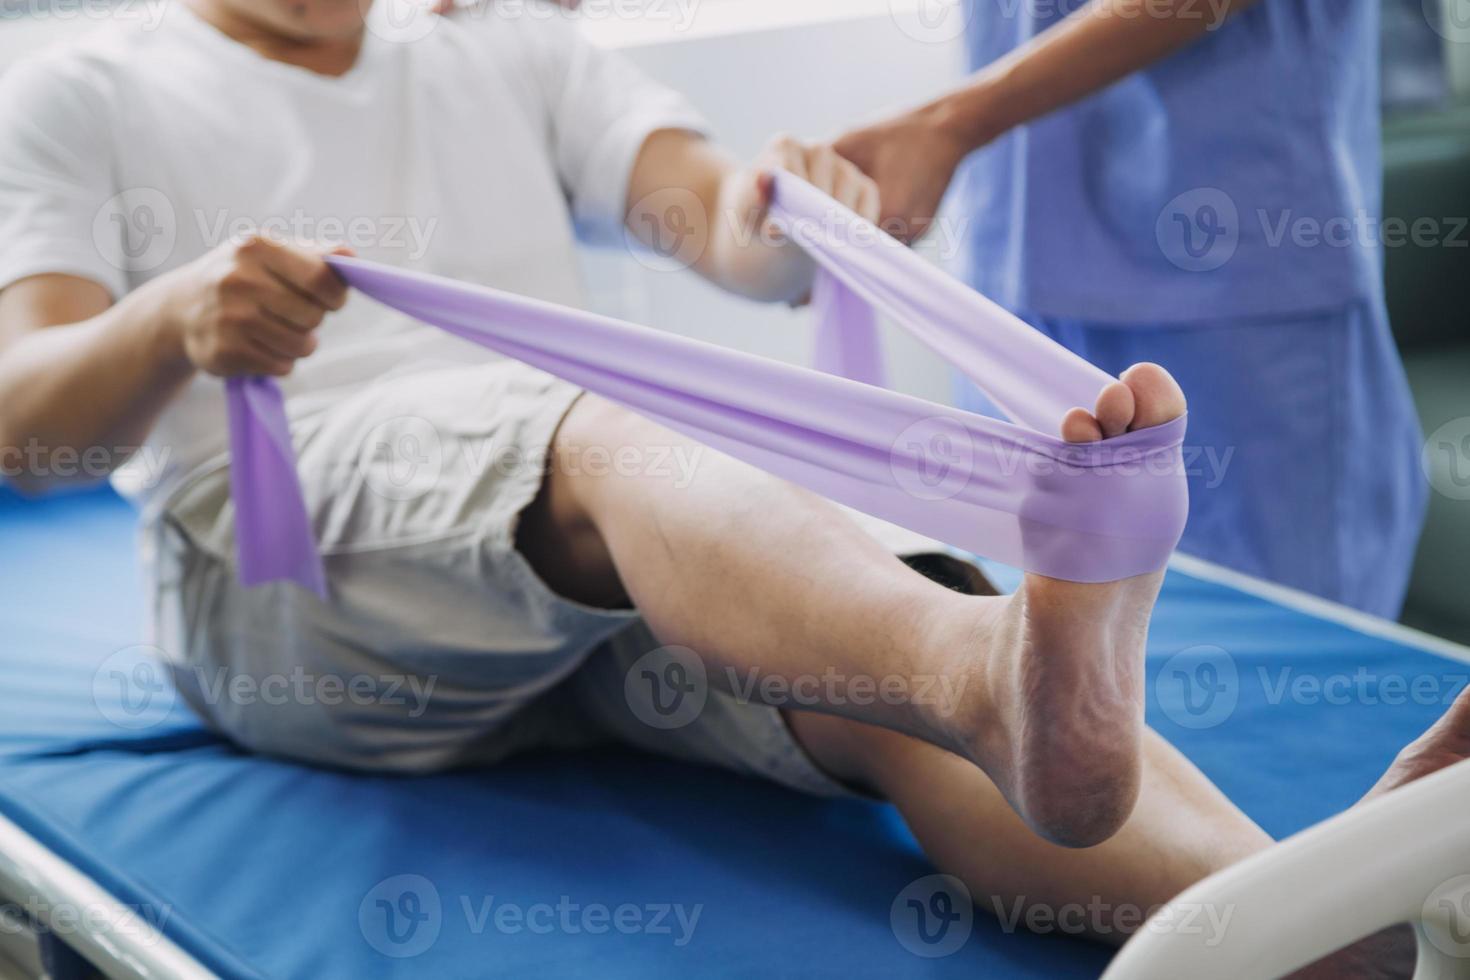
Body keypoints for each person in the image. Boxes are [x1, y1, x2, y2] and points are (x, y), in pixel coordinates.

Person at [0, 1, 1454, 973]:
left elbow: (722, 229)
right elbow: (22, 422)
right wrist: (170, 316)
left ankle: (1339, 932)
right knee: (631, 429)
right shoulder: (83, 87)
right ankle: (988, 675)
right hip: (288, 590)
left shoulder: (500, 42)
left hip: (559, 579)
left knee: (871, 686)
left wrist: (796, 207)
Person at [836, 0, 1427, 618]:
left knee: (1279, 644)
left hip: (1230, 271)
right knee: (1031, 643)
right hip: (1016, 270)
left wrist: (950, 123)